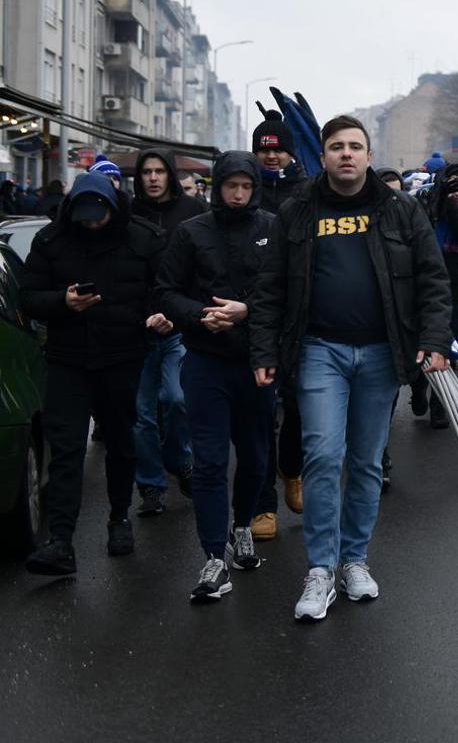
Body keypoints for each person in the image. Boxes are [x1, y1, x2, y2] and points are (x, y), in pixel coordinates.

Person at [250, 115, 451, 622]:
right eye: (336, 147)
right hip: (320, 350)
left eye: (355, 147)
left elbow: (432, 278)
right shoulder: (296, 212)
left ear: (367, 154)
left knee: (365, 462)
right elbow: (269, 289)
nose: (346, 154)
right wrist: (264, 352)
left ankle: (354, 560)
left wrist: (432, 340)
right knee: (321, 455)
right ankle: (320, 569)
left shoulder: (401, 210)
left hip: (381, 353)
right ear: (323, 156)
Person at [22, 173, 169, 576]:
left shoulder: (144, 239)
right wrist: (63, 302)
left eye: (98, 216)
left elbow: (165, 289)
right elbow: (29, 297)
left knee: (122, 442)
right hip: (68, 359)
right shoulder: (51, 241)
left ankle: (119, 519)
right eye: (83, 217)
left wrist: (159, 315)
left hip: (123, 356)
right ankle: (61, 541)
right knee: (66, 450)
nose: (91, 224)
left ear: (111, 206)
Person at [154, 152, 279, 601]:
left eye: (247, 187)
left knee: (255, 455)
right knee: (208, 461)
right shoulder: (192, 233)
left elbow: (286, 292)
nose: (239, 195)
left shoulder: (272, 228)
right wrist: (197, 315)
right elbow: (165, 290)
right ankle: (212, 556)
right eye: (232, 187)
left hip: (257, 361)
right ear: (219, 186)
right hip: (205, 361)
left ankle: (242, 525)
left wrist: (247, 312)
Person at [129, 148, 208, 517]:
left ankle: (180, 460)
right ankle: (150, 485)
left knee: (177, 399)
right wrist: (145, 315)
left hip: (179, 325)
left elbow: (200, 270)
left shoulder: (192, 212)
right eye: (147, 172)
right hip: (138, 329)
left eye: (160, 171)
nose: (153, 178)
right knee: (142, 414)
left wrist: (180, 313)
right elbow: (122, 275)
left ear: (170, 175)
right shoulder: (127, 214)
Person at [249, 108, 309, 539]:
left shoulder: (306, 192)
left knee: (299, 409)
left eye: (278, 150)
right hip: (249, 319)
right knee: (258, 416)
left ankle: (292, 468)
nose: (271, 158)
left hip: (297, 319)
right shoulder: (242, 191)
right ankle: (263, 505)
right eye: (263, 151)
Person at [420, 161, 458, 428]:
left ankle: (434, 391)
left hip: (457, 280)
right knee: (435, 339)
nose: (457, 190)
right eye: (452, 184)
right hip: (425, 281)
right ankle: (433, 399)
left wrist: (453, 203)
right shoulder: (427, 203)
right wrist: (439, 196)